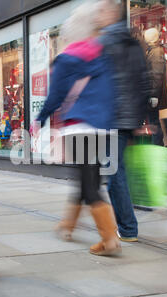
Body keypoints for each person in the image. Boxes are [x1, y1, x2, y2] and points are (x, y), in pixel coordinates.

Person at [34, 1, 121, 256]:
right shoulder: (102, 57)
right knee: (87, 180)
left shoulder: (67, 58)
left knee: (89, 184)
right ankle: (67, 225)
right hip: (101, 128)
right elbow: (110, 94)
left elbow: (55, 96)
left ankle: (109, 238)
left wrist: (39, 119)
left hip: (78, 128)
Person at [95, 0, 151, 242]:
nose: (98, 16)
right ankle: (125, 225)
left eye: (101, 11)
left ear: (110, 13)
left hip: (111, 118)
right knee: (115, 171)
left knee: (114, 174)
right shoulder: (133, 42)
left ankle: (128, 229)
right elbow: (145, 81)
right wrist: (141, 117)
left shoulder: (104, 42)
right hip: (128, 118)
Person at [144, 27, 167, 146]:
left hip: (153, 93)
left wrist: (154, 95)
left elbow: (157, 73)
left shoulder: (155, 52)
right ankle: (157, 145)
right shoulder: (153, 50)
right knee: (154, 121)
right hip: (152, 92)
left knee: (154, 122)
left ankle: (157, 146)